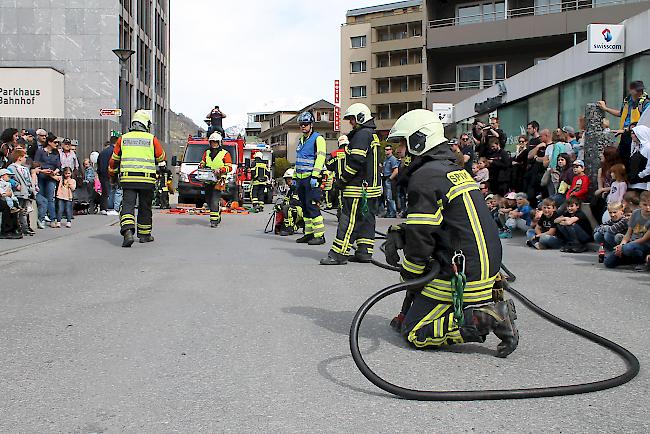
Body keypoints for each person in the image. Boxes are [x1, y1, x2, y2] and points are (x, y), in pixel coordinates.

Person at [383, 109, 518, 357]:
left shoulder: (425, 176)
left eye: (402, 143)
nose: (399, 151)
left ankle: (485, 318)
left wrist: (409, 273)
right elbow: (443, 223)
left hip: (464, 272)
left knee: (415, 332)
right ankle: (428, 312)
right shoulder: (448, 169)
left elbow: (422, 238)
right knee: (421, 285)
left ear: (418, 141)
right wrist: (400, 231)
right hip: (482, 265)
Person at [320, 103, 381, 265]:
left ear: (360, 118)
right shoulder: (372, 134)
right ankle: (364, 252)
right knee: (367, 220)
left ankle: (338, 254)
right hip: (371, 189)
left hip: (357, 188)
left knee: (348, 221)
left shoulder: (361, 135)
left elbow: (355, 161)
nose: (351, 123)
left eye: (352, 119)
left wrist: (341, 181)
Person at [108, 110, 166, 247]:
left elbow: (114, 160)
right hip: (147, 180)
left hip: (128, 179)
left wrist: (113, 176)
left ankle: (127, 231)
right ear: (146, 124)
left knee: (127, 205)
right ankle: (145, 235)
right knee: (145, 206)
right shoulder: (151, 139)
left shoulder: (123, 138)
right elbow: (161, 157)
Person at [294, 111, 327, 246]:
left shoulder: (318, 139)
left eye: (306, 124)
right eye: (301, 124)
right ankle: (308, 233)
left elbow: (320, 157)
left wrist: (315, 175)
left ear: (311, 125)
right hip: (301, 178)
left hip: (311, 178)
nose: (303, 126)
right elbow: (299, 160)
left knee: (312, 206)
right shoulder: (301, 140)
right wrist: (295, 176)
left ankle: (319, 235)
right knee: (305, 207)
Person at [604, 191, 650, 269]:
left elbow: (644, 239)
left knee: (628, 248)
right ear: (640, 204)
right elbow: (628, 234)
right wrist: (621, 245)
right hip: (630, 244)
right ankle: (631, 260)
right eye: (645, 205)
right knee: (608, 262)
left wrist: (625, 247)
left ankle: (642, 261)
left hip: (644, 246)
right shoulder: (635, 213)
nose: (648, 208)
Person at [199, 132, 232, 227]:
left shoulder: (225, 154)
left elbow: (229, 167)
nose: (214, 144)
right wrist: (201, 165)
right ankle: (217, 212)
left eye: (215, 142)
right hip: (208, 180)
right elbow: (203, 162)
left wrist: (220, 170)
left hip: (219, 180)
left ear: (219, 143)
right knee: (208, 200)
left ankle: (214, 221)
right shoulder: (207, 153)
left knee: (214, 200)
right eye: (212, 142)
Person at [34, 133, 62, 228]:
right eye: (55, 142)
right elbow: (36, 164)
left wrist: (55, 172)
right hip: (42, 176)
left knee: (50, 198)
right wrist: (43, 170)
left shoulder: (56, 153)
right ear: (49, 142)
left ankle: (52, 218)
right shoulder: (40, 151)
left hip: (51, 177)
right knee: (41, 197)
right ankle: (41, 217)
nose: (57, 144)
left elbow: (58, 166)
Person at [8, 149, 36, 236]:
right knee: (18, 211)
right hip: (18, 192)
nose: (25, 159)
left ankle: (25, 228)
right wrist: (16, 185)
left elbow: (28, 180)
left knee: (24, 211)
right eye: (24, 157)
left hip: (25, 192)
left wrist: (31, 188)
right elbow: (9, 178)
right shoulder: (11, 168)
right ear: (19, 158)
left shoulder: (25, 168)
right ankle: (18, 228)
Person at [277, 168, 303, 236]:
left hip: (302, 210)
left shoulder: (298, 188)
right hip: (296, 210)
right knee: (282, 207)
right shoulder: (291, 190)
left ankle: (289, 228)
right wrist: (279, 205)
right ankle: (294, 225)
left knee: (287, 208)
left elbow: (296, 201)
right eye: (287, 179)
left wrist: (284, 205)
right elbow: (286, 200)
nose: (288, 181)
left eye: (290, 179)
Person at [98, 138, 119, 215]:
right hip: (110, 174)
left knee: (105, 192)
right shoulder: (114, 152)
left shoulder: (103, 152)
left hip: (102, 175)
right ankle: (110, 208)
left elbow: (99, 165)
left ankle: (103, 208)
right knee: (111, 192)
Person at [628, 125, 650, 192]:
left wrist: (640, 176)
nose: (632, 135)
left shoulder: (648, 148)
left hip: (642, 185)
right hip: (632, 184)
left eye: (633, 133)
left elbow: (649, 167)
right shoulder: (636, 148)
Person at [381, 144, 399, 218]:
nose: (386, 151)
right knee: (386, 197)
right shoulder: (386, 159)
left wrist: (390, 179)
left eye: (388, 149)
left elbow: (396, 170)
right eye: (386, 149)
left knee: (390, 197)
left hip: (389, 179)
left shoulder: (392, 159)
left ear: (391, 150)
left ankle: (393, 213)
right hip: (385, 178)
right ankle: (389, 212)